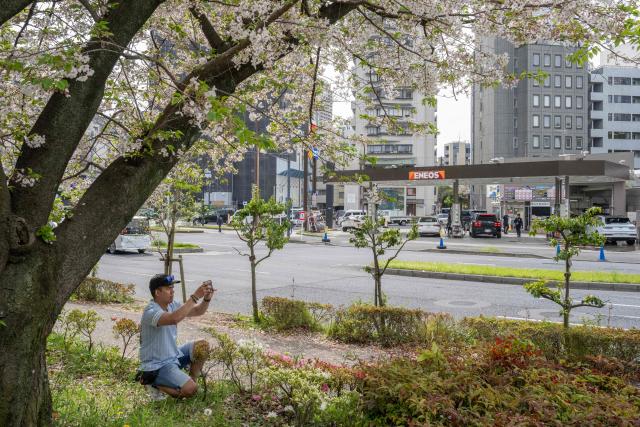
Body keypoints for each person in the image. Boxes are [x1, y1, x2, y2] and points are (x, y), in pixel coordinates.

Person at [137, 274, 214, 400]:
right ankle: (153, 383)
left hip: (173, 357)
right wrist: (195, 297)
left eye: (173, 288)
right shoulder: (151, 311)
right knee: (190, 390)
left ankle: (191, 381)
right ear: (157, 292)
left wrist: (206, 299)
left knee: (202, 345)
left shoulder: (172, 305)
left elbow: (198, 311)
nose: (172, 291)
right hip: (157, 365)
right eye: (168, 289)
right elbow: (174, 318)